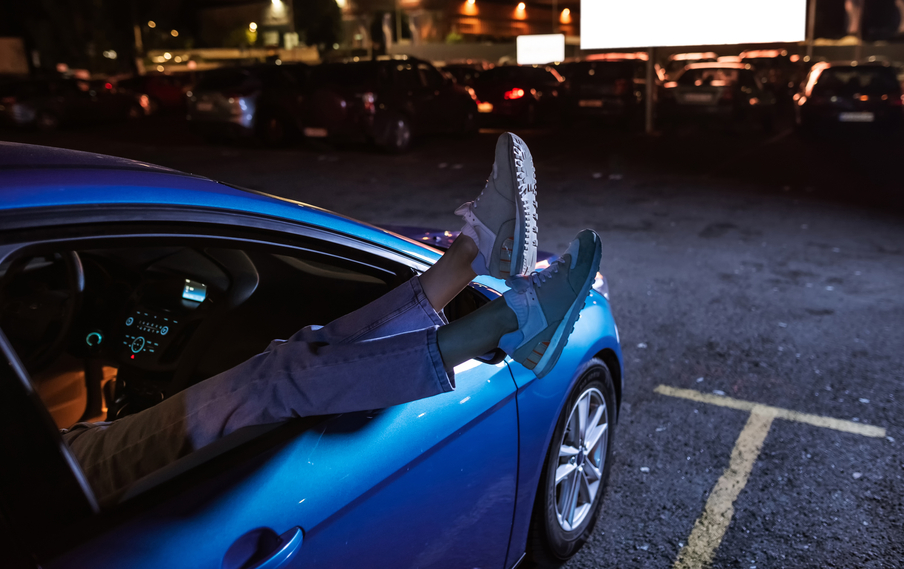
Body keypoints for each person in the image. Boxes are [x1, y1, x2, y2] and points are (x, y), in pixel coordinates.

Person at [62, 132, 603, 506]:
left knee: (290, 359)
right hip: (53, 480)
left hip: (65, 452)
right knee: (275, 378)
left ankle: (469, 261)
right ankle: (500, 322)